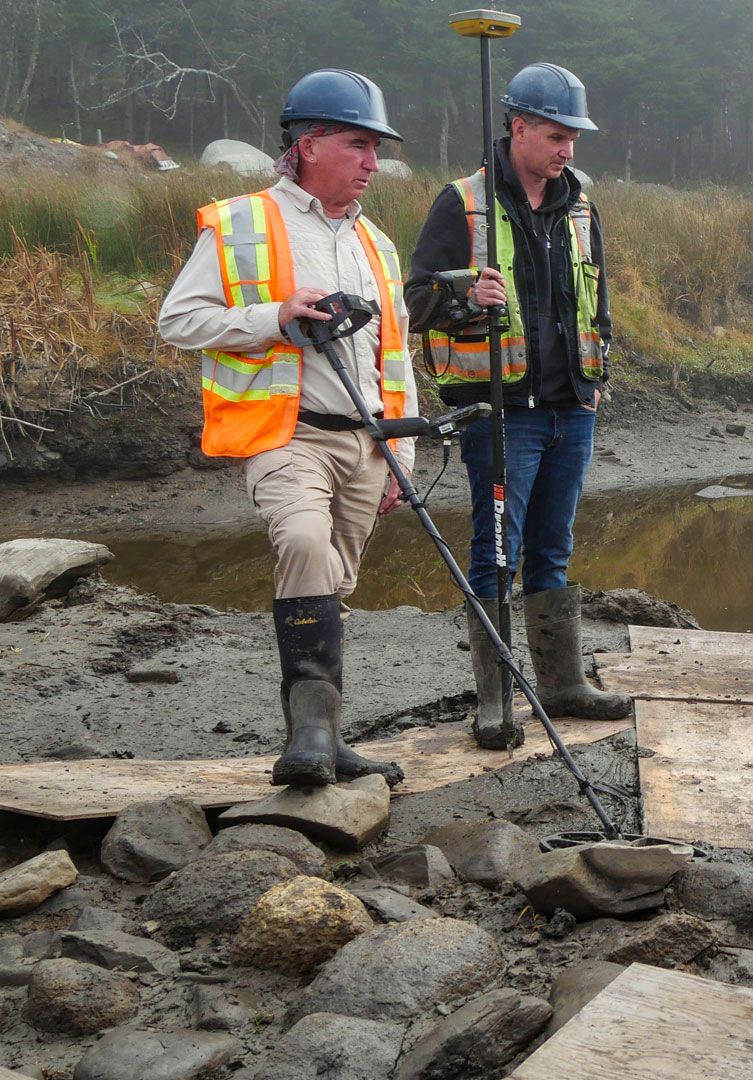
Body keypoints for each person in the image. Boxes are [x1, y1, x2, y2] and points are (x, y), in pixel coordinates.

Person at [157, 69, 416, 788]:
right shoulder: (241, 222)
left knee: (334, 582)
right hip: (286, 432)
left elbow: (395, 353)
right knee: (303, 545)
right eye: (359, 145)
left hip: (367, 441)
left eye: (376, 149)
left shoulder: (378, 244)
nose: (373, 163)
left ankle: (327, 734)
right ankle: (309, 736)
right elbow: (179, 320)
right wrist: (274, 317)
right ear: (308, 144)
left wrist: (401, 452)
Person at [405, 62, 626, 750]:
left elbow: (597, 295)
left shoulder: (580, 204)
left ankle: (561, 686)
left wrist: (597, 374)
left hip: (572, 407)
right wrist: (467, 295)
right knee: (495, 555)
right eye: (557, 135)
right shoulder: (463, 202)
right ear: (519, 127)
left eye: (573, 137)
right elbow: (415, 301)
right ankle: (496, 702)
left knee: (553, 550)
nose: (567, 149)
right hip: (501, 411)